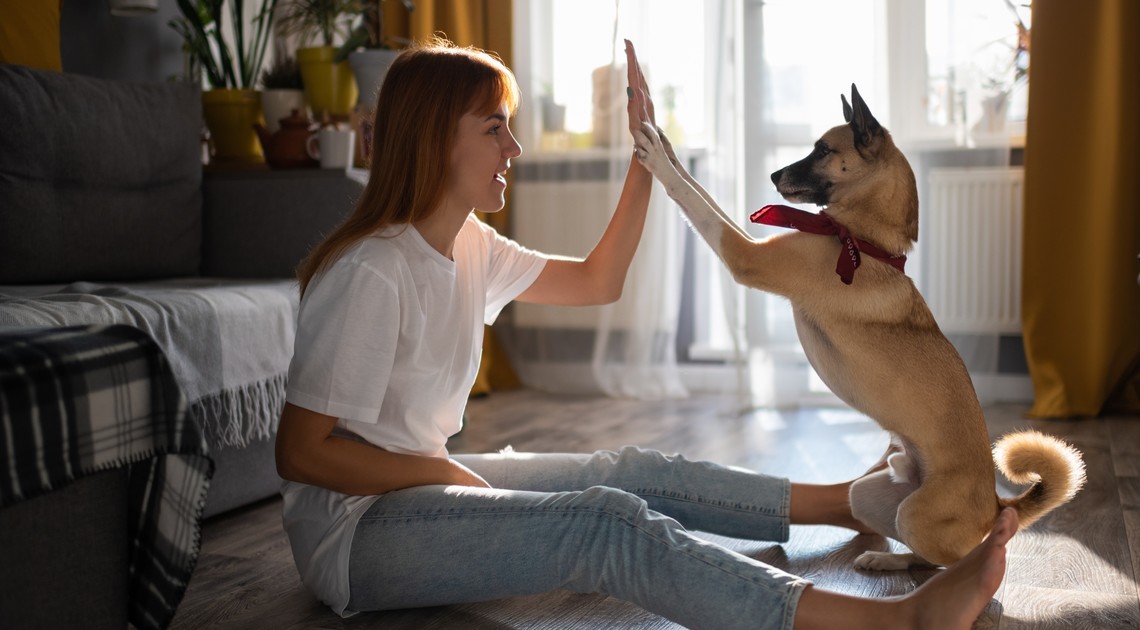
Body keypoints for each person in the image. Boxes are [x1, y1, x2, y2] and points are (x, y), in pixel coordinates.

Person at [274, 36, 1017, 630]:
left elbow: (600, 280)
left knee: (634, 469)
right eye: (495, 127)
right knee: (607, 525)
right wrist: (448, 477)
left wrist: (645, 152)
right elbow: (304, 452)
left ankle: (837, 502)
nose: (515, 148)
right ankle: (890, 624)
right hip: (357, 536)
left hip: (423, 480)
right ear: (435, 140)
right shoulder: (373, 270)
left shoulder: (471, 246)